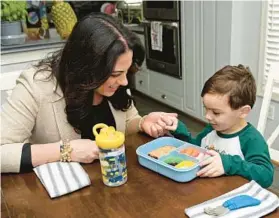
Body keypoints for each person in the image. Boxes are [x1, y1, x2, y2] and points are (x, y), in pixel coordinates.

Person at [1, 13, 177, 173]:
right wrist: (66, 151)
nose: (124, 82)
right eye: (116, 74)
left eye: (126, 72)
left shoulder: (115, 82)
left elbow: (126, 121)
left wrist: (143, 122)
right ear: (87, 66)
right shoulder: (36, 85)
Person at [163, 65, 274, 188]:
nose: (207, 116)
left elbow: (266, 176)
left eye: (216, 112)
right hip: (207, 190)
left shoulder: (252, 139)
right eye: (206, 109)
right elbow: (196, 150)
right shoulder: (212, 129)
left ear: (243, 112)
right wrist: (179, 130)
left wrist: (229, 163)